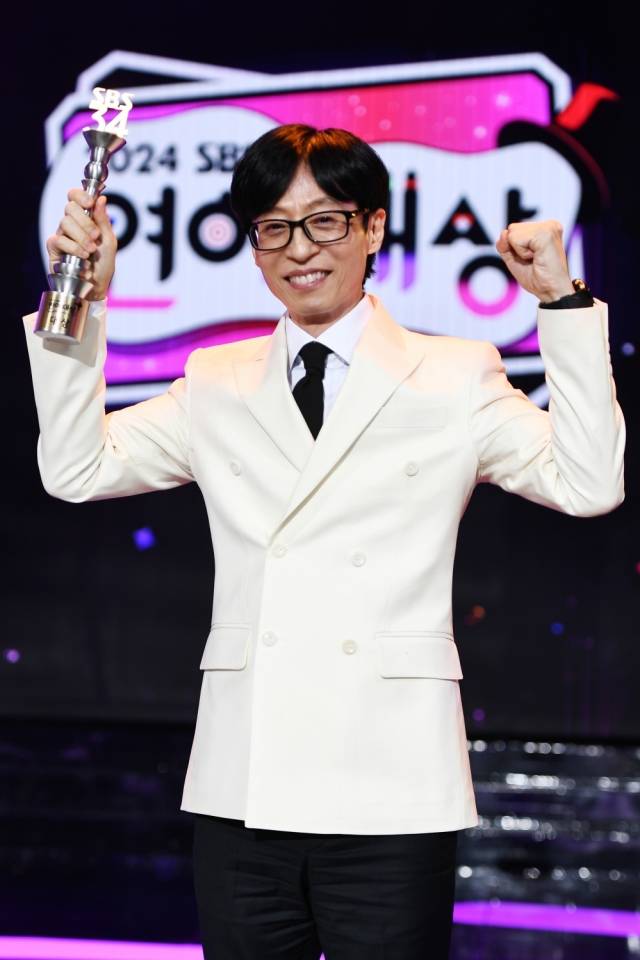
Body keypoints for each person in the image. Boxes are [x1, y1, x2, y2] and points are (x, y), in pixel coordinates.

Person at [23, 124, 626, 959]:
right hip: (245, 787)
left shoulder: (455, 373)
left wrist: (560, 302)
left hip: (392, 786)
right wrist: (79, 302)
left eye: (324, 221)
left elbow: (590, 483)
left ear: (372, 227)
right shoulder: (217, 379)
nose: (299, 249)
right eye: (273, 227)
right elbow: (76, 468)